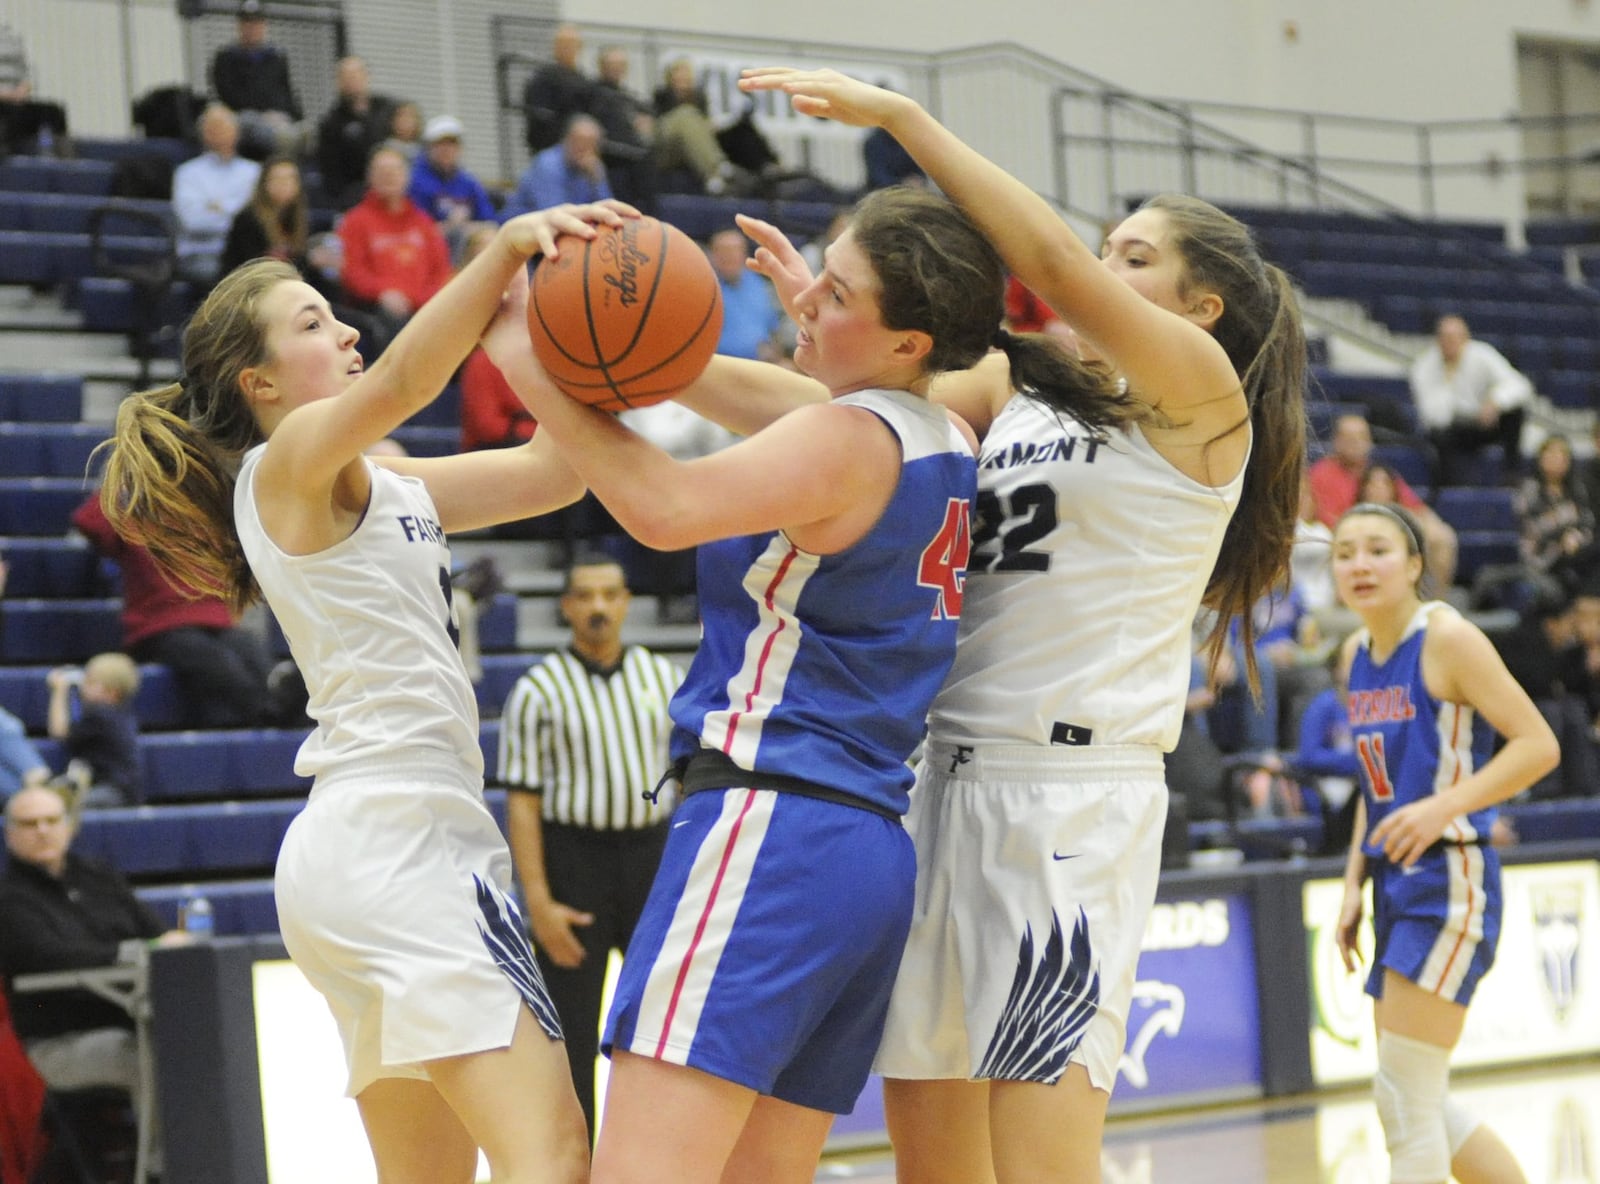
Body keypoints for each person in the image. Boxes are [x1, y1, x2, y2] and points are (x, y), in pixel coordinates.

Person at [723, 67, 1307, 1184]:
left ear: (1200, 309)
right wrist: (755, 344)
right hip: (938, 783)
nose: (1103, 265)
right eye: (1109, 246)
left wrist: (902, 120)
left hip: (1069, 805)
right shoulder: (1018, 392)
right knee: (930, 1159)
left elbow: (1043, 266)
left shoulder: (1200, 402)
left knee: (1043, 1164)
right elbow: (847, 418)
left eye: (1136, 257)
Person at [508, 183, 1053, 1184]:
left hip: (767, 830)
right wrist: (662, 343)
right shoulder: (942, 437)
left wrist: (522, 358)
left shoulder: (845, 439)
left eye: (836, 292)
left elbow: (665, 507)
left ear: (906, 343)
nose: (803, 302)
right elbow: (741, 388)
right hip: (861, 858)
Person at [93, 202, 630, 1184]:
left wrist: (546, 344)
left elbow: (557, 475)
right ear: (257, 382)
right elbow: (404, 376)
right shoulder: (283, 465)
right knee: (550, 1152)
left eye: (334, 313)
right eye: (310, 323)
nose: (343, 329)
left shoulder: (377, 477)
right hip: (399, 843)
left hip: (375, 847)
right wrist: (502, 254)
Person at [1330, 501, 1558, 1184]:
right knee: (1416, 1097)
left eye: (1378, 549)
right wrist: (1351, 883)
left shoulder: (1447, 638)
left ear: (1416, 566)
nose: (1360, 564)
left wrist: (1441, 809)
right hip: (1394, 883)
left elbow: (1538, 744)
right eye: (1344, 552)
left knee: (1404, 1102)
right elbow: (1377, 789)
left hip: (1451, 879)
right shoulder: (1354, 654)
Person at [498, 552, 683, 1141]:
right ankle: (576, 1165)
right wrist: (540, 904)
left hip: (651, 858)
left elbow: (688, 782)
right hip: (573, 862)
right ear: (567, 606)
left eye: (610, 594)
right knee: (571, 1033)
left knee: (663, 1023)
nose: (599, 607)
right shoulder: (536, 691)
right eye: (587, 596)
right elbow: (522, 803)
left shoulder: (665, 677)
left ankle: (658, 1157)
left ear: (627, 601)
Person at [0, 784, 190, 1172]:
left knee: (189, 1046)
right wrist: (136, 951)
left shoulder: (98, 876)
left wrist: (161, 944)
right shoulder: (8, 898)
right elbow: (48, 958)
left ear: (68, 826)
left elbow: (154, 933)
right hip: (56, 1043)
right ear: (10, 833)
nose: (42, 830)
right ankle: (165, 1169)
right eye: (29, 823)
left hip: (132, 1017)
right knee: (149, 1057)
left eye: (51, 820)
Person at [70, 492, 272, 730]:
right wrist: (125, 478)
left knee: (251, 649)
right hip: (158, 626)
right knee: (213, 659)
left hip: (214, 619)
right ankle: (270, 714)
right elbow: (87, 521)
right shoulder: (132, 516)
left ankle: (278, 712)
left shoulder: (199, 513)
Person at [1310, 413, 1458, 589]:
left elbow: (1415, 507)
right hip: (1348, 534)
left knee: (1442, 536)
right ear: (1336, 441)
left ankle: (1433, 601)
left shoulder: (1379, 472)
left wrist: (1430, 525)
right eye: (1349, 437)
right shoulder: (1321, 473)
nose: (1356, 442)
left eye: (1361, 437)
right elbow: (1323, 517)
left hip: (1388, 530)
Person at [338, 145, 453, 354]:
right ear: (370, 177)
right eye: (381, 172)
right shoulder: (355, 222)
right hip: (379, 311)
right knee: (394, 318)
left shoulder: (423, 222)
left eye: (394, 171)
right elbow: (352, 272)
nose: (388, 177)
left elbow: (440, 271)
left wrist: (419, 300)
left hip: (423, 307)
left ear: (407, 176)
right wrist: (382, 292)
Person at [1409, 314, 1533, 488]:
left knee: (1515, 413)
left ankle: (1511, 475)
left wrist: (1496, 401)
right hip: (1451, 429)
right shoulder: (1423, 367)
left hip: (1483, 422)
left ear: (1466, 338)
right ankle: (1453, 487)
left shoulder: (1482, 355)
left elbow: (1520, 386)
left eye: (1455, 338)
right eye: (1445, 338)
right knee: (1440, 436)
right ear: (1437, 340)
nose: (1450, 343)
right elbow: (1432, 416)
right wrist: (1449, 377)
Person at [172, 103, 261, 285]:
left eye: (222, 127)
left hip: (247, 251)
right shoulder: (187, 173)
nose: (217, 133)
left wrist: (217, 207)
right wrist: (235, 210)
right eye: (211, 128)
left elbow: (255, 219)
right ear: (203, 133)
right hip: (201, 254)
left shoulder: (254, 172)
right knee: (227, 276)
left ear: (236, 131)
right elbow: (193, 221)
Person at [45, 654, 142, 809]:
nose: (82, 686)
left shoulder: (100, 715)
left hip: (112, 791)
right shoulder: (121, 715)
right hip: (124, 790)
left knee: (58, 806)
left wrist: (59, 690)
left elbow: (59, 731)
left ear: (111, 693)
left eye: (90, 682)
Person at [209, 0, 302, 160]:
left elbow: (286, 93)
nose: (252, 28)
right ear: (239, 26)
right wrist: (263, 113)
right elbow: (228, 95)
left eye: (256, 23)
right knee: (250, 121)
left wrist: (289, 115)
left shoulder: (276, 57)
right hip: (242, 118)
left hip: (274, 119)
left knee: (295, 129)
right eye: (247, 23)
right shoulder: (225, 58)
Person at [408, 115, 498, 260]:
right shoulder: (415, 181)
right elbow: (414, 228)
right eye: (441, 144)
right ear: (429, 147)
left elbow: (489, 221)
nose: (447, 150)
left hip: (465, 246)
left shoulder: (468, 181)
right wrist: (449, 226)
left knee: (489, 239)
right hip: (427, 248)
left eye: (452, 144)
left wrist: (464, 227)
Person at [1516, 433, 1597, 593]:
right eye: (1550, 453)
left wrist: (1576, 536)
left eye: (1561, 454)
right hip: (1541, 557)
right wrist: (1564, 535)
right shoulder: (1530, 489)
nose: (1555, 458)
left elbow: (1587, 522)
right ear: (1540, 458)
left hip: (1576, 555)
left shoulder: (1577, 489)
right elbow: (1533, 528)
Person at [315, 56, 397, 209]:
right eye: (346, 77)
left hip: (394, 188)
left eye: (355, 75)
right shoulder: (331, 124)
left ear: (367, 76)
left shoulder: (387, 109)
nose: (351, 81)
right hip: (355, 194)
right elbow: (332, 175)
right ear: (338, 82)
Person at [502, 114, 612, 220]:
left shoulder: (593, 167)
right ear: (567, 139)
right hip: (522, 229)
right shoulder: (547, 164)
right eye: (579, 141)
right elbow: (554, 215)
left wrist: (597, 181)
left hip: (566, 227)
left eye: (590, 144)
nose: (583, 149)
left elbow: (608, 211)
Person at [590, 45, 656, 212]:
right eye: (612, 64)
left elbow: (647, 111)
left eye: (620, 65)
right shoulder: (594, 93)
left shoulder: (627, 96)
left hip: (634, 154)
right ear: (601, 66)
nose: (616, 69)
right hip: (611, 154)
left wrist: (644, 121)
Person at [707, 226, 782, 361]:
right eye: (723, 250)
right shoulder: (703, 288)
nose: (729, 256)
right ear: (712, 255)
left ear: (744, 254)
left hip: (761, 364)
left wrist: (775, 354)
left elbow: (773, 329)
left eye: (735, 250)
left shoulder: (759, 284)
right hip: (720, 364)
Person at [0, 19, 67, 158]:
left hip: (17, 100)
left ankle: (63, 162)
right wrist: (7, 95)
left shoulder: (10, 37)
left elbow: (28, 71)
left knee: (54, 112)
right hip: (4, 103)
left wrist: (24, 89)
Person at [523, 24, 594, 155]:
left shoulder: (584, 81)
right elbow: (538, 116)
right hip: (551, 147)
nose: (565, 49)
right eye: (561, 45)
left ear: (579, 48)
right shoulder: (543, 77)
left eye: (570, 45)